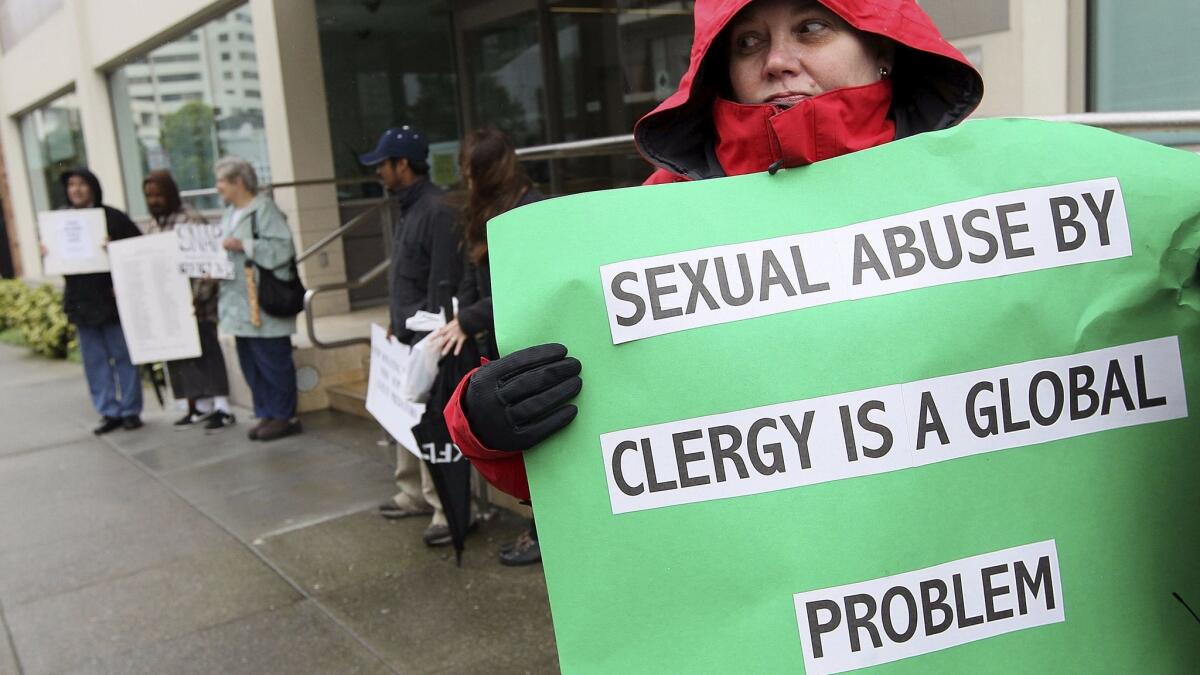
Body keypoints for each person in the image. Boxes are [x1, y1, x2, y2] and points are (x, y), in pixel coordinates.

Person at [443, 0, 983, 500]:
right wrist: (490, 424)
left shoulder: (981, 201)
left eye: (810, 28)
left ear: (881, 48)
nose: (776, 61)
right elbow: (606, 463)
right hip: (743, 582)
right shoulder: (654, 219)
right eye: (747, 42)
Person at [431, 128, 544, 565]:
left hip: (528, 342)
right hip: (499, 341)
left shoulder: (530, 209)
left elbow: (528, 290)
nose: (465, 176)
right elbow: (471, 273)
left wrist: (469, 317)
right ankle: (536, 531)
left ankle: (541, 533)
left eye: (470, 168)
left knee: (538, 445)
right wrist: (461, 316)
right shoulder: (485, 209)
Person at [359, 125, 462, 546]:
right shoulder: (411, 207)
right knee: (406, 416)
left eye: (383, 164)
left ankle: (441, 505)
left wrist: (432, 331)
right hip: (407, 333)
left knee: (429, 422)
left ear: (403, 164)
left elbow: (441, 278)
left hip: (428, 337)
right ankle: (415, 493)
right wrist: (394, 320)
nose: (379, 171)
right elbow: (407, 274)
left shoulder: (437, 210)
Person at [214, 156, 301, 442]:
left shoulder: (264, 209)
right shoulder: (229, 213)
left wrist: (245, 245)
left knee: (272, 360)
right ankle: (266, 411)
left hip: (263, 302)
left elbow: (282, 248)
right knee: (251, 362)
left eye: (222, 181)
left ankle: (284, 415)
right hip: (238, 303)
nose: (218, 188)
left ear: (239, 182)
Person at [52, 168, 145, 434]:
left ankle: (130, 410)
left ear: (92, 187)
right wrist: (48, 251)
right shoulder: (59, 222)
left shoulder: (112, 217)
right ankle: (109, 411)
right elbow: (57, 259)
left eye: (82, 184)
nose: (76, 190)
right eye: (71, 185)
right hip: (81, 301)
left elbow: (138, 249)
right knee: (94, 360)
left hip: (111, 299)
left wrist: (115, 249)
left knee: (123, 356)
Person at [143, 170, 235, 432]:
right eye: (149, 196)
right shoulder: (153, 224)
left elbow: (208, 261)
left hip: (198, 302)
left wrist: (198, 297)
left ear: (170, 193)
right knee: (181, 355)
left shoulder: (190, 219)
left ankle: (222, 407)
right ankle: (199, 407)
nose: (154, 200)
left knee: (208, 351)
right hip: (171, 304)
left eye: (159, 194)